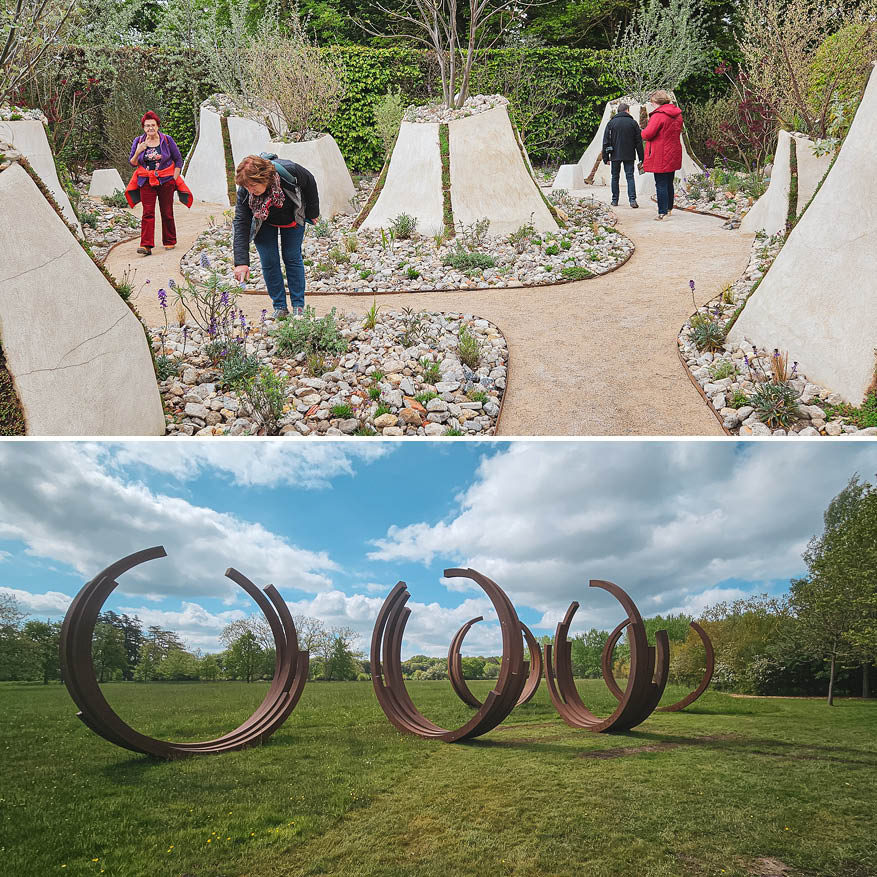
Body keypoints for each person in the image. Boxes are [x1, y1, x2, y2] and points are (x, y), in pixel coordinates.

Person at [233, 154, 320, 319]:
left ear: (264, 177)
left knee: (291, 257)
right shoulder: (245, 189)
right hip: (262, 221)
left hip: (292, 216)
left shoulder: (289, 171)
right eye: (247, 187)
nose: (250, 190)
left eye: (253, 185)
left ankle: (298, 307)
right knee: (269, 260)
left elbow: (310, 181)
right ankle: (280, 306)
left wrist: (312, 212)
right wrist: (241, 262)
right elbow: (241, 222)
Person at [127, 111, 186, 254]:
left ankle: (170, 240)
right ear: (143, 127)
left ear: (158, 126)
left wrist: (174, 178)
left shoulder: (167, 140)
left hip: (166, 180)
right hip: (146, 181)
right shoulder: (138, 141)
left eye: (153, 125)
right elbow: (133, 163)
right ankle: (146, 245)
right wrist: (138, 151)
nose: (150, 128)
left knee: (166, 211)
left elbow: (178, 160)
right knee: (147, 212)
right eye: (147, 126)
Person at [641, 90, 684, 220]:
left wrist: (641, 131)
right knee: (669, 181)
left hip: (660, 153)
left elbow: (647, 134)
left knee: (660, 183)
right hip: (674, 151)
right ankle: (669, 208)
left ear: (656, 102)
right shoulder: (677, 114)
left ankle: (662, 212)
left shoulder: (658, 115)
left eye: (652, 102)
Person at [602, 102, 644, 208]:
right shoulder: (633, 123)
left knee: (615, 177)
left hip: (615, 154)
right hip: (629, 154)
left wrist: (605, 157)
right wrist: (641, 157)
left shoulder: (611, 123)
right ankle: (632, 200)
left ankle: (615, 200)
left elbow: (606, 141)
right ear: (627, 110)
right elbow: (638, 142)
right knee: (630, 177)